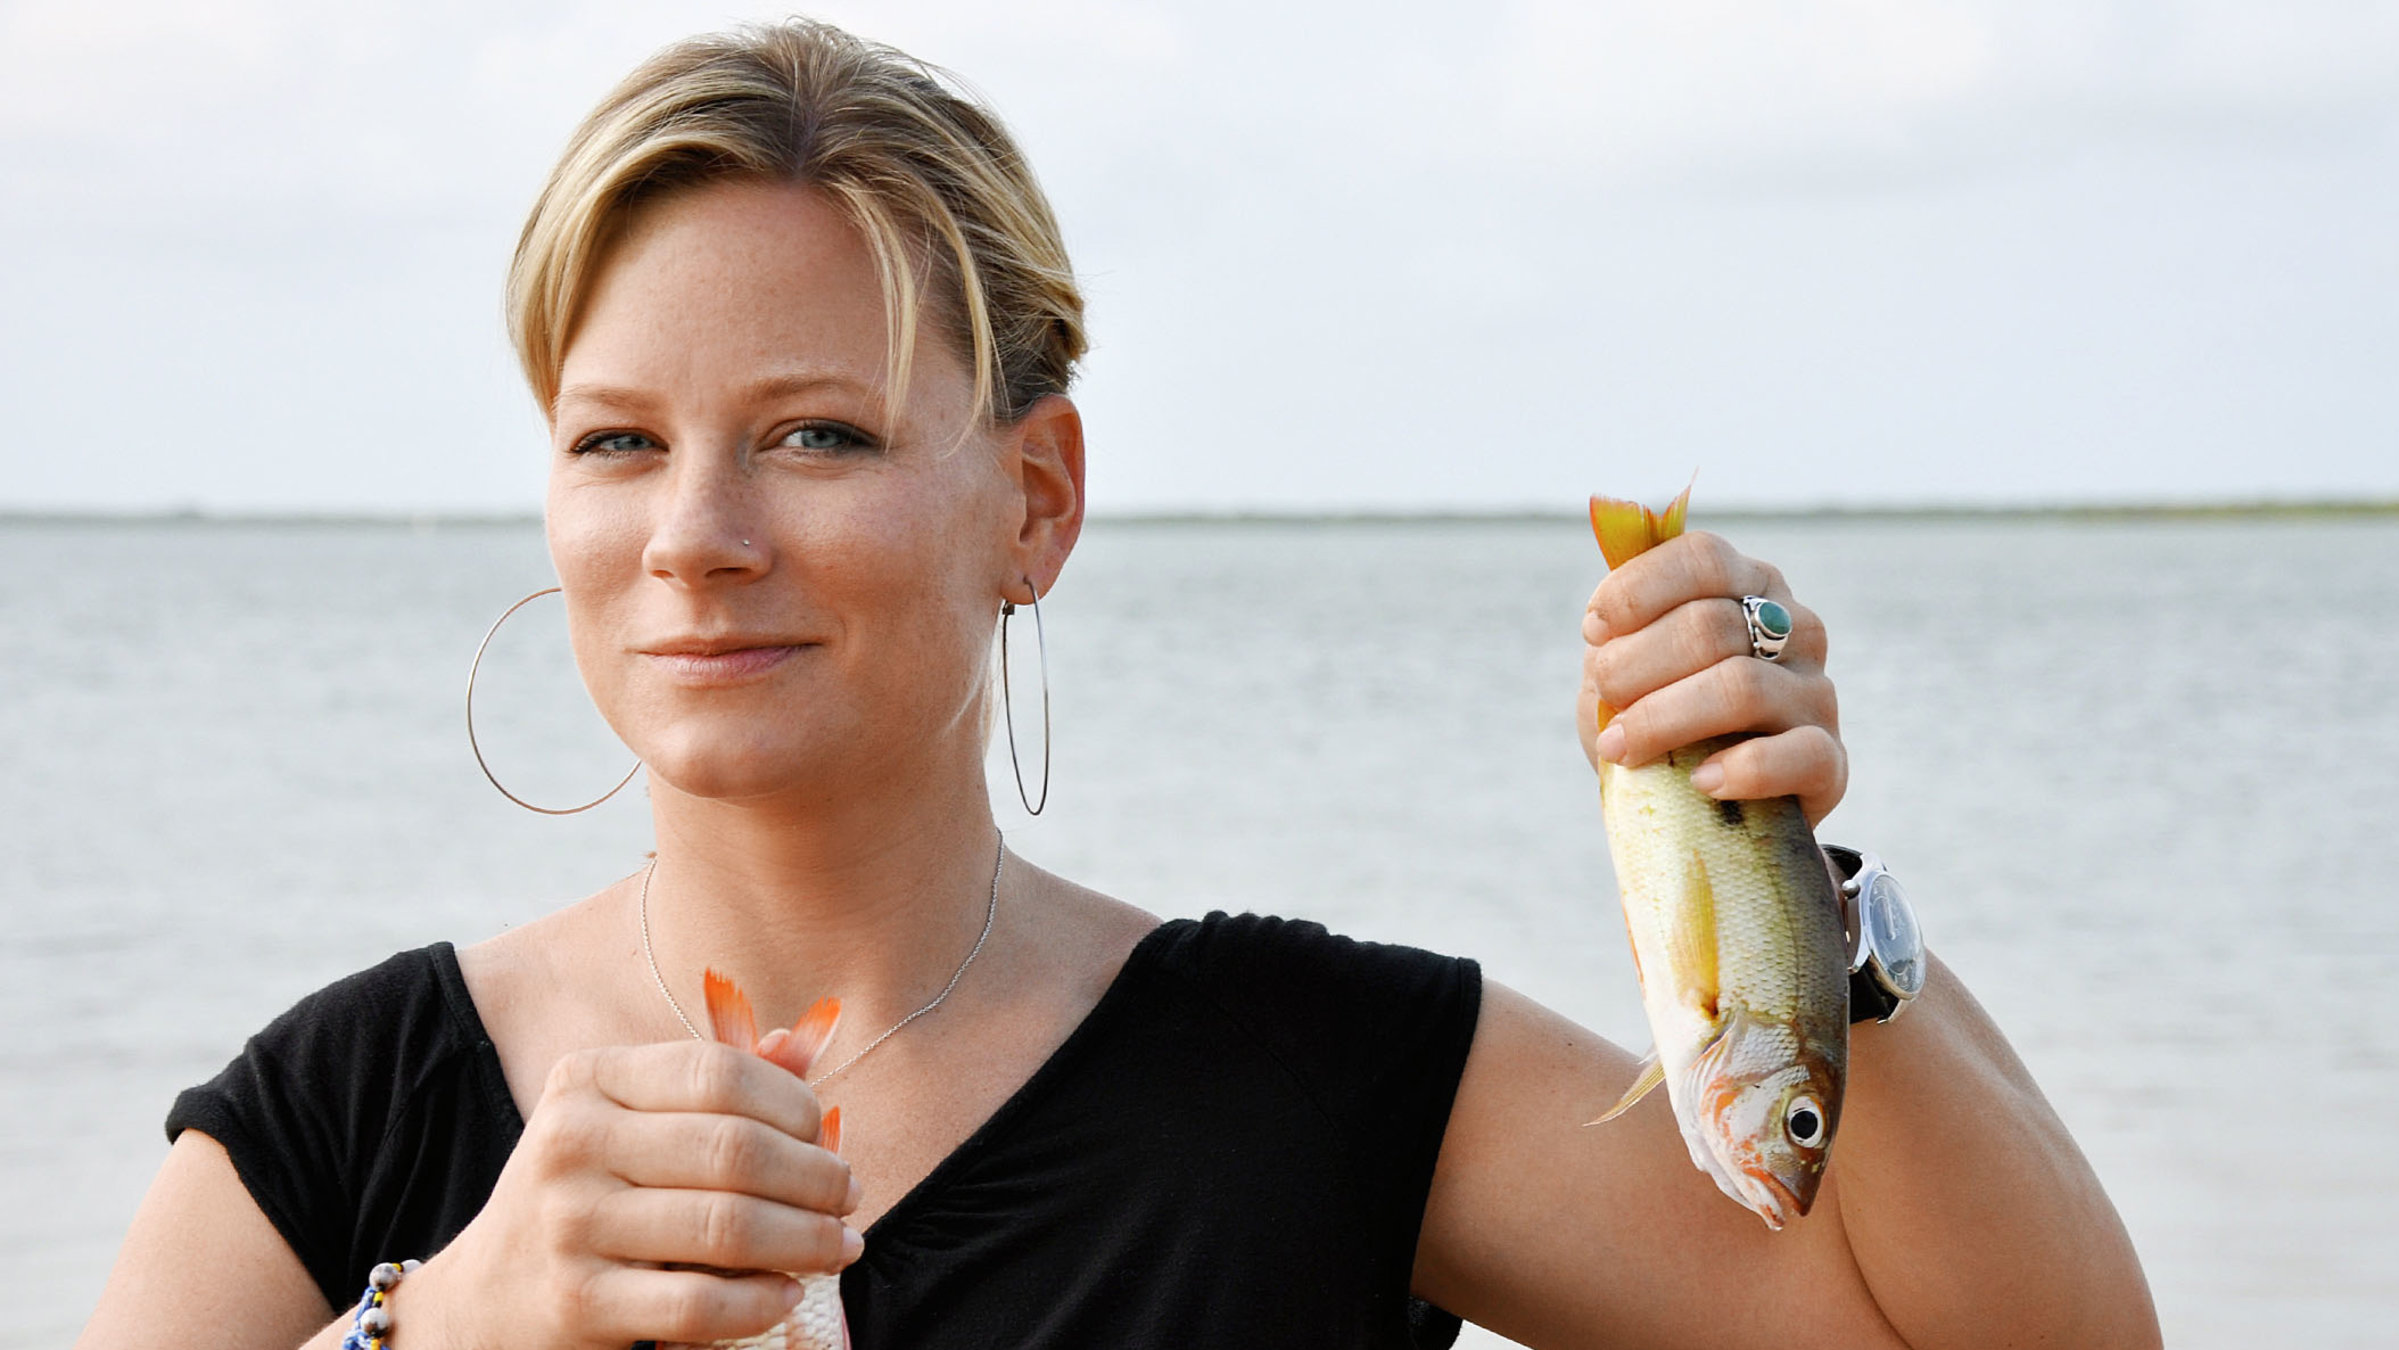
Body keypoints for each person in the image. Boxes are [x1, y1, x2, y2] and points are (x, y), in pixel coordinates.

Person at [76, 19, 2159, 1350]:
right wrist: (440, 1335)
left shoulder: (1313, 1077)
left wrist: (1809, 900)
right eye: (617, 439)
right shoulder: (341, 1120)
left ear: (1036, 500)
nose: (693, 531)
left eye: (817, 435)